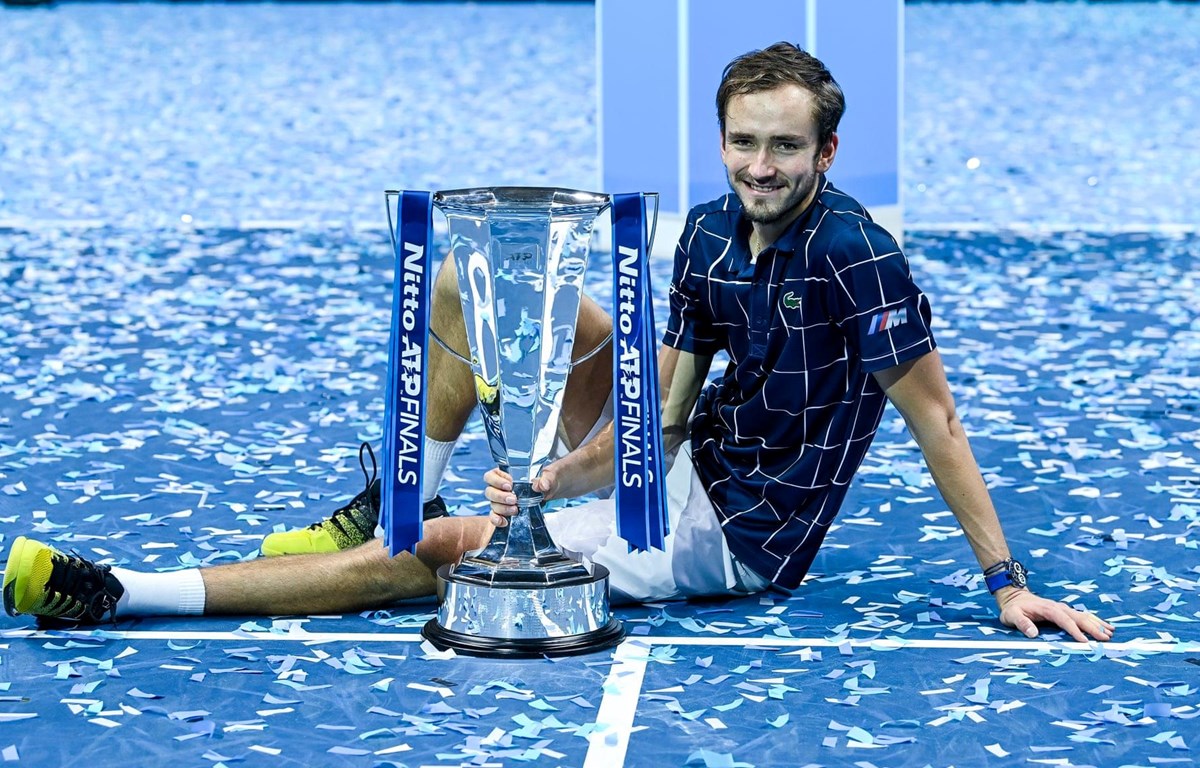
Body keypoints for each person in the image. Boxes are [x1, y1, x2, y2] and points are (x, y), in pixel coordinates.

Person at [4, 42, 1113, 644]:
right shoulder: (715, 234)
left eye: (786, 148)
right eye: (743, 143)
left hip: (731, 540)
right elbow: (666, 416)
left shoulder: (858, 259)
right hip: (679, 469)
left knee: (444, 552)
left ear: (829, 150)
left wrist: (1006, 582)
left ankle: (126, 594)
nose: (760, 168)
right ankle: (391, 498)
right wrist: (558, 475)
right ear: (723, 141)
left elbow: (939, 421)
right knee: (465, 288)